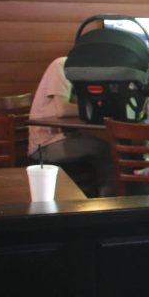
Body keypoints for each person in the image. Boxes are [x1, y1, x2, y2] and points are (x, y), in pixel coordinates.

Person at [28, 56, 115, 196]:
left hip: (66, 138)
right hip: (45, 145)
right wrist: (100, 110)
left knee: (109, 148)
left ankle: (101, 200)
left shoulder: (82, 73)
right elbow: (62, 110)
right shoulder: (62, 65)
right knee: (111, 150)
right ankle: (108, 204)